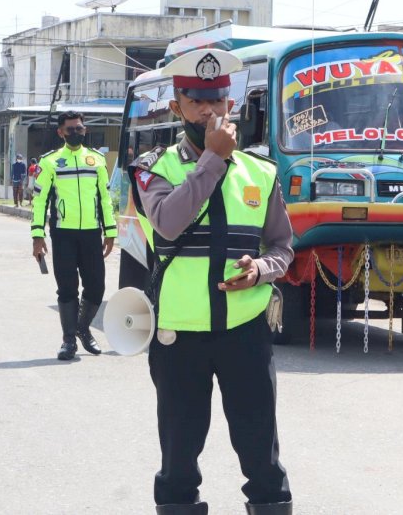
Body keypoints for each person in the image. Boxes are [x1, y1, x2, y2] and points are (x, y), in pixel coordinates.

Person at [130, 48, 293, 514]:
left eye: (217, 101)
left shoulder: (261, 173)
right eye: (196, 101)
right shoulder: (153, 168)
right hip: (179, 337)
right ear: (176, 106)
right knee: (179, 460)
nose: (209, 111)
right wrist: (214, 161)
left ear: (231, 105)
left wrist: (262, 269)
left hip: (246, 332)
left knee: (262, 456)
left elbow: (283, 246)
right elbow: (168, 222)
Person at [31, 111, 117, 361]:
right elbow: (39, 202)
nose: (75, 133)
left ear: (85, 129)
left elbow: (105, 199)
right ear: (61, 132)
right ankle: (69, 340)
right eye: (70, 129)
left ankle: (82, 327)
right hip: (63, 235)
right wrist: (38, 236)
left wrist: (110, 231)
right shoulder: (50, 162)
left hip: (91, 233)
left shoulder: (97, 160)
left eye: (79, 128)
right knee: (67, 289)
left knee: (97, 287)